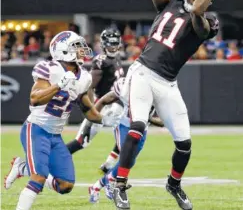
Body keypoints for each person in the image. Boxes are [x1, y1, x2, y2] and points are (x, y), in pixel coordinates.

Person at [112, 0, 229, 210]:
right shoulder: (171, 2)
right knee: (137, 126)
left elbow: (197, 9)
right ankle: (119, 185)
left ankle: (173, 184)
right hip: (143, 72)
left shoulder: (206, 20)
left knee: (184, 143)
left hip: (167, 83)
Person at [4, 31, 103, 210]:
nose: (81, 50)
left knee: (65, 185)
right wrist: (59, 85)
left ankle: (22, 168)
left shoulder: (85, 77)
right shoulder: (50, 68)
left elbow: (87, 108)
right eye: (76, 46)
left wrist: (108, 117)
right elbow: (34, 98)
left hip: (56, 136)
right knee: (39, 178)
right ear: (63, 50)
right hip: (36, 129)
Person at [87, 78, 163, 203]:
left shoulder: (158, 93)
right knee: (126, 159)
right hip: (124, 127)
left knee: (130, 162)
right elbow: (103, 100)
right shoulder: (126, 87)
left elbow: (162, 122)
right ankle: (105, 184)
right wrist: (94, 120)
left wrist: (147, 118)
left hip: (142, 130)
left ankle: (98, 185)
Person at [66, 28, 125, 174]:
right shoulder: (101, 61)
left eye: (115, 43)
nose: (112, 46)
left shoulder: (116, 59)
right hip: (102, 105)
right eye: (110, 43)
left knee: (127, 134)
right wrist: (92, 110)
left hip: (116, 104)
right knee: (82, 142)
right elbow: (89, 87)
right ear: (104, 44)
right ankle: (55, 158)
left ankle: (109, 164)